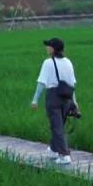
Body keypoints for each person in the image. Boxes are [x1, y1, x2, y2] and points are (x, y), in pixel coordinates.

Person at [30, 37, 79, 165]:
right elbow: (72, 84)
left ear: (53, 49)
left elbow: (41, 83)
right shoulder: (68, 62)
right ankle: (53, 149)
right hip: (67, 98)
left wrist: (35, 100)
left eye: (49, 46)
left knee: (57, 127)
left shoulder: (48, 62)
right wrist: (75, 102)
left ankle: (64, 155)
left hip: (53, 97)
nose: (47, 48)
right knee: (59, 125)